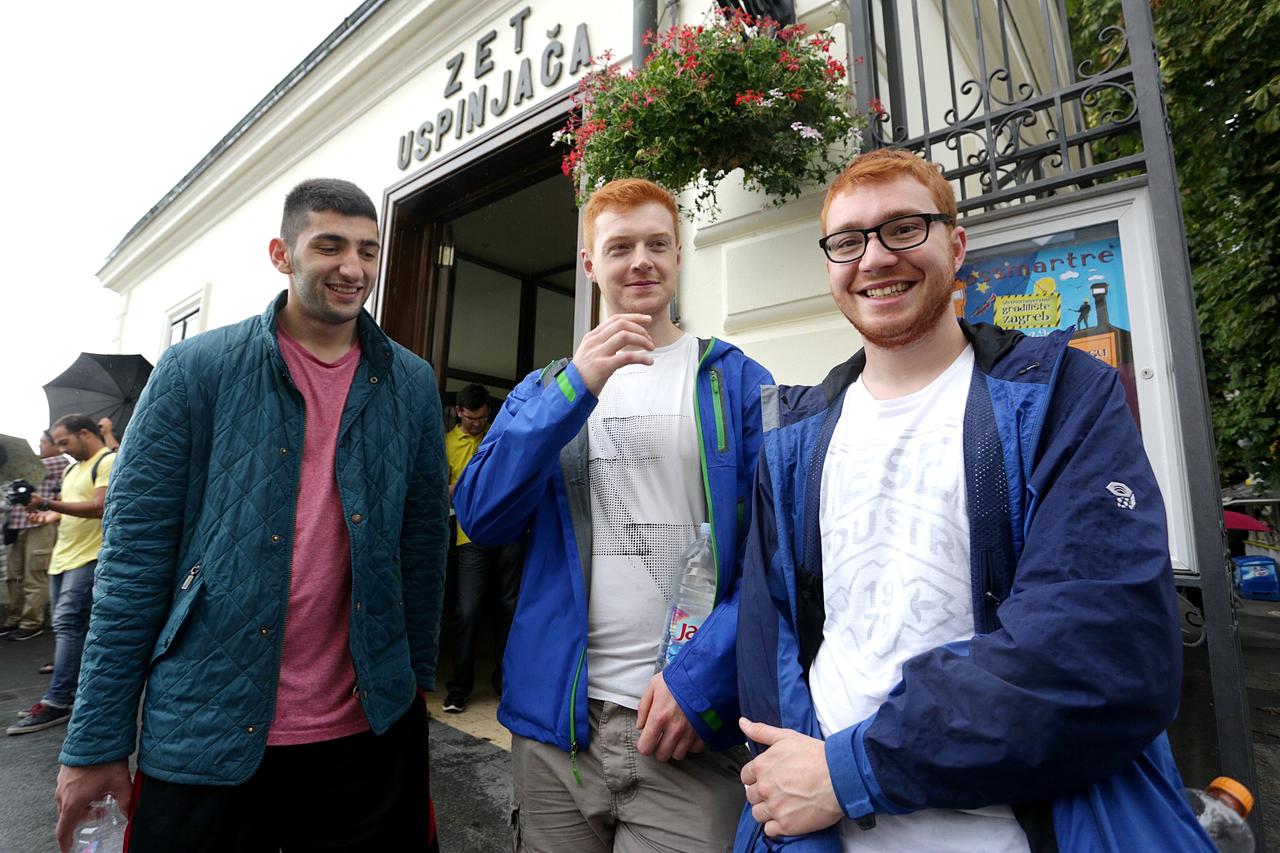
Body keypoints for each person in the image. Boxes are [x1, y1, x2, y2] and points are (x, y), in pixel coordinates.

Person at [733, 148, 1212, 851]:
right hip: (823, 833)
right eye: (848, 240)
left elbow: (1100, 648)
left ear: (955, 246)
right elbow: (770, 645)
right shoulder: (792, 438)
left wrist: (851, 769)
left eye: (904, 228)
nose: (874, 257)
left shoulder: (1065, 397)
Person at [52, 178, 450, 853]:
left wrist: (412, 686)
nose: (353, 267)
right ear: (281, 253)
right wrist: (96, 739)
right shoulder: (192, 370)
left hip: (368, 733)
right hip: (207, 725)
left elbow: (422, 541)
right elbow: (132, 565)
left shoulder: (410, 381)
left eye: (368, 250)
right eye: (330, 245)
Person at [454, 177, 773, 852]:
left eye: (658, 243)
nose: (641, 261)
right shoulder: (547, 389)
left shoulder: (735, 381)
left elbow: (774, 555)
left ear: (679, 255)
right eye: (620, 246)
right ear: (590, 263)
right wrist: (576, 387)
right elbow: (481, 515)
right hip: (556, 733)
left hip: (684, 726)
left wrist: (703, 681)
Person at [7, 416, 113, 736]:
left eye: (65, 442)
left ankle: (57, 700)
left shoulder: (108, 461)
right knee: (69, 626)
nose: (61, 450)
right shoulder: (71, 469)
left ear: (85, 433)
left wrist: (48, 501)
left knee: (68, 623)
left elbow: (99, 507)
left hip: (89, 556)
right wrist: (43, 513)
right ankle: (74, 694)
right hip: (63, 558)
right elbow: (62, 510)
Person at [442, 382, 523, 713]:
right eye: (473, 418)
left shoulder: (500, 436)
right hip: (470, 537)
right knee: (468, 611)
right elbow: (440, 489)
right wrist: (466, 488)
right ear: (459, 412)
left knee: (509, 608)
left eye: (484, 418)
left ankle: (505, 682)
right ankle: (459, 687)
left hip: (509, 532)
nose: (478, 424)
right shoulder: (446, 444)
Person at [2, 430, 69, 641]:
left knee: (34, 574)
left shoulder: (60, 462)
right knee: (14, 575)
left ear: (56, 445)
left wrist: (14, 468)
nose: (39, 446)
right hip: (18, 524)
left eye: (43, 442)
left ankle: (31, 622)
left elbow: (37, 470)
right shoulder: (24, 469)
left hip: (41, 524)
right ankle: (14, 618)